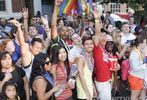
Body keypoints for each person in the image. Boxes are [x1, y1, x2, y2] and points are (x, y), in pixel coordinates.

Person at [76, 36, 97, 100]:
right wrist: (87, 93)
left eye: (91, 44)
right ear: (83, 46)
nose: (89, 46)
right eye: (87, 44)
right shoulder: (81, 58)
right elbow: (81, 77)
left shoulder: (91, 57)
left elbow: (89, 76)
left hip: (89, 90)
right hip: (83, 93)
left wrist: (93, 88)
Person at [128, 35, 147, 100]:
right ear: (140, 44)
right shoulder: (134, 54)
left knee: (138, 95)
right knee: (134, 96)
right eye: (145, 42)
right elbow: (135, 68)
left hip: (139, 77)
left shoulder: (139, 51)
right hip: (135, 77)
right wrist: (145, 66)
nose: (146, 44)